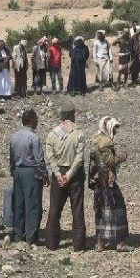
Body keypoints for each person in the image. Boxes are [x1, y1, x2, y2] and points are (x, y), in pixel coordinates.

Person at [44, 105, 87, 251]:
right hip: (74, 175)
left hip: (58, 174)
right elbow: (79, 158)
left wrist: (57, 174)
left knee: (54, 210)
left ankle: (51, 244)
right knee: (77, 209)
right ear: (73, 115)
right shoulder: (79, 134)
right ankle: (79, 245)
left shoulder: (52, 134)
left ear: (62, 116)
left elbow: (49, 157)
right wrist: (69, 175)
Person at [89, 116, 131, 252]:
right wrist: (123, 155)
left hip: (98, 181)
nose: (116, 131)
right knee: (117, 210)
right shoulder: (105, 142)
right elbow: (110, 161)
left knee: (100, 211)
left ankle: (100, 243)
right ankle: (120, 243)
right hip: (107, 182)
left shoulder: (95, 139)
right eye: (114, 128)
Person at [9, 109, 48, 245]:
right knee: (33, 204)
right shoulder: (33, 138)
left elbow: (11, 157)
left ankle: (18, 234)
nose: (37, 121)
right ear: (31, 121)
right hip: (31, 172)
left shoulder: (14, 136)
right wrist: (44, 174)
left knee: (18, 203)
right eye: (36, 119)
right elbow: (39, 159)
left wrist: (13, 171)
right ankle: (31, 237)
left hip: (18, 171)